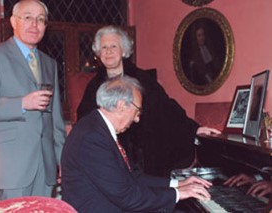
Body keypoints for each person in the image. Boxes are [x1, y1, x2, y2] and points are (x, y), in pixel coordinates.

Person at [76, 25, 220, 177]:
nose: (108, 51)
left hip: (144, 159)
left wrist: (193, 129)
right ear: (98, 53)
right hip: (109, 158)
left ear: (123, 50)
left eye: (113, 46)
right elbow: (86, 121)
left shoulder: (143, 79)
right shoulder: (93, 87)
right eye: (104, 47)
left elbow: (165, 107)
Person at [62, 75, 212, 213]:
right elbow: (128, 197)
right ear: (121, 106)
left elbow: (133, 177)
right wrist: (180, 193)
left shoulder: (98, 128)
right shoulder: (92, 138)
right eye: (137, 111)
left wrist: (178, 184)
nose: (137, 119)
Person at [0, 0, 66, 200]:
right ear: (13, 21)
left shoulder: (49, 63)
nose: (34, 25)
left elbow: (56, 119)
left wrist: (62, 159)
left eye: (41, 20)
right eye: (27, 18)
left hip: (46, 166)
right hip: (11, 165)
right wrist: (21, 104)